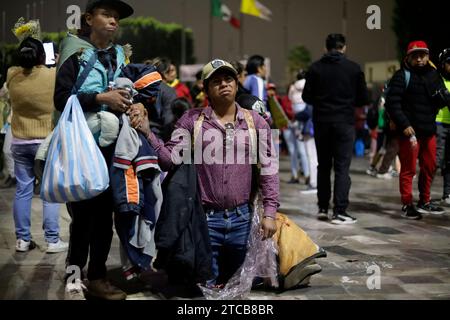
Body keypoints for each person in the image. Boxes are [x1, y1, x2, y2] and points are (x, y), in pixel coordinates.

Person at [133, 59, 279, 287]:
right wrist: (148, 133)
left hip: (243, 219)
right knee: (207, 286)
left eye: (229, 79)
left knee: (236, 286)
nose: (224, 85)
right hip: (205, 222)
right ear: (206, 89)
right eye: (217, 81)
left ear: (237, 84)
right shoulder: (191, 120)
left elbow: (270, 170)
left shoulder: (256, 122)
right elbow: (169, 160)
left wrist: (270, 213)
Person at [54, 0, 136, 300]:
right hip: (82, 145)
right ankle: (74, 275)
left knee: (105, 218)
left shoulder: (120, 55)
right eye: (106, 14)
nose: (113, 20)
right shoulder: (74, 53)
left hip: (115, 148)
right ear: (89, 18)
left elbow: (130, 90)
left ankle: (99, 277)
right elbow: (61, 98)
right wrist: (103, 98)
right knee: (83, 218)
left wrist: (135, 104)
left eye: (116, 17)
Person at [7, 34, 68, 253]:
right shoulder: (53, 75)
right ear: (43, 56)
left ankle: (23, 240)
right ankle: (52, 240)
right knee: (48, 190)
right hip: (45, 142)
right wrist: (56, 60)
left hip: (20, 141)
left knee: (22, 191)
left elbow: (21, 67)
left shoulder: (12, 75)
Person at [303, 33, 369, 224]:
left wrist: (322, 101)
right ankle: (339, 211)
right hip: (344, 123)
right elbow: (363, 99)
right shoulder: (354, 68)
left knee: (323, 165)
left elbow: (307, 97)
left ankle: (323, 207)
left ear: (326, 48)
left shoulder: (315, 68)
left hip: (322, 122)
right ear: (344, 47)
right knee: (342, 168)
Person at [386, 41, 450, 219]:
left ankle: (425, 201)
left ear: (428, 56)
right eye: (416, 55)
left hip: (429, 130)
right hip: (410, 132)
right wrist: (404, 124)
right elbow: (393, 103)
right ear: (408, 57)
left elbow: (441, 98)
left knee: (430, 166)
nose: (420, 58)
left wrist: (442, 97)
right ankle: (407, 204)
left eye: (423, 55)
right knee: (408, 169)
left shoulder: (433, 75)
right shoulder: (402, 76)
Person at [436, 48, 450, 205]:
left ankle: (447, 193)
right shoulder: (437, 79)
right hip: (439, 123)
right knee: (435, 161)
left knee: (449, 162)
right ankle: (424, 196)